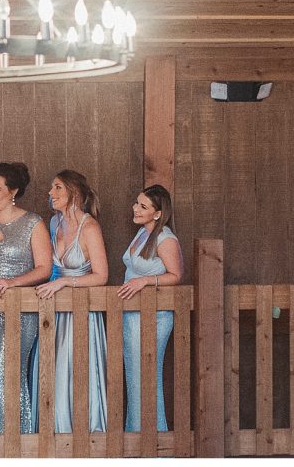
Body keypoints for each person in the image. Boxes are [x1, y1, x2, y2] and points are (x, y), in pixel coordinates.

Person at [0, 161, 52, 435]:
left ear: (13, 191)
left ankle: (10, 440)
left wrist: (12, 283)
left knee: (7, 372)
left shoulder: (33, 223)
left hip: (19, 310)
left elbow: (44, 269)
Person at [34, 170, 108, 433]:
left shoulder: (89, 227)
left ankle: (85, 429)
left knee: (77, 368)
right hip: (54, 308)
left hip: (80, 309)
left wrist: (65, 282)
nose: (50, 194)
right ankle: (54, 428)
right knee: (51, 369)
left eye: (57, 188)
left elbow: (101, 276)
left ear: (73, 193)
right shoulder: (54, 223)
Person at [119, 184, 183, 433]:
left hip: (154, 316)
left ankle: (154, 440)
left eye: (143, 206)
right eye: (137, 203)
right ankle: (136, 435)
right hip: (132, 314)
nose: (135, 209)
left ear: (158, 213)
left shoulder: (165, 238)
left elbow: (176, 275)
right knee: (134, 376)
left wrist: (145, 280)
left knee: (147, 375)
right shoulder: (143, 234)